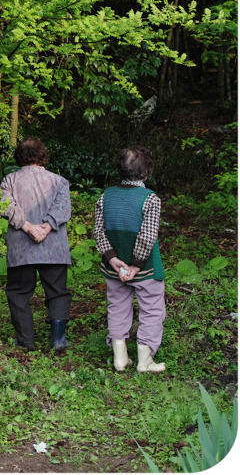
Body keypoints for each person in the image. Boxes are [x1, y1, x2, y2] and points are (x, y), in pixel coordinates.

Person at [93, 145, 166, 373]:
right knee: (152, 309)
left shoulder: (105, 196)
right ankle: (145, 360)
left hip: (114, 269)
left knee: (117, 307)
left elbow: (98, 232)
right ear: (146, 172)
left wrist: (113, 259)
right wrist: (135, 265)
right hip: (145, 270)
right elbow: (147, 237)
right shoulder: (150, 199)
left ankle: (120, 357)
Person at [0, 137, 73, 351]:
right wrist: (47, 227)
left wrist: (28, 227)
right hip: (54, 249)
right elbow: (63, 209)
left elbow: (7, 207)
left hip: (22, 250)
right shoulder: (59, 181)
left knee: (18, 293)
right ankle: (58, 340)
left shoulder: (9, 180)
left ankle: (25, 340)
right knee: (58, 292)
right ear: (43, 156)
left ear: (19, 157)